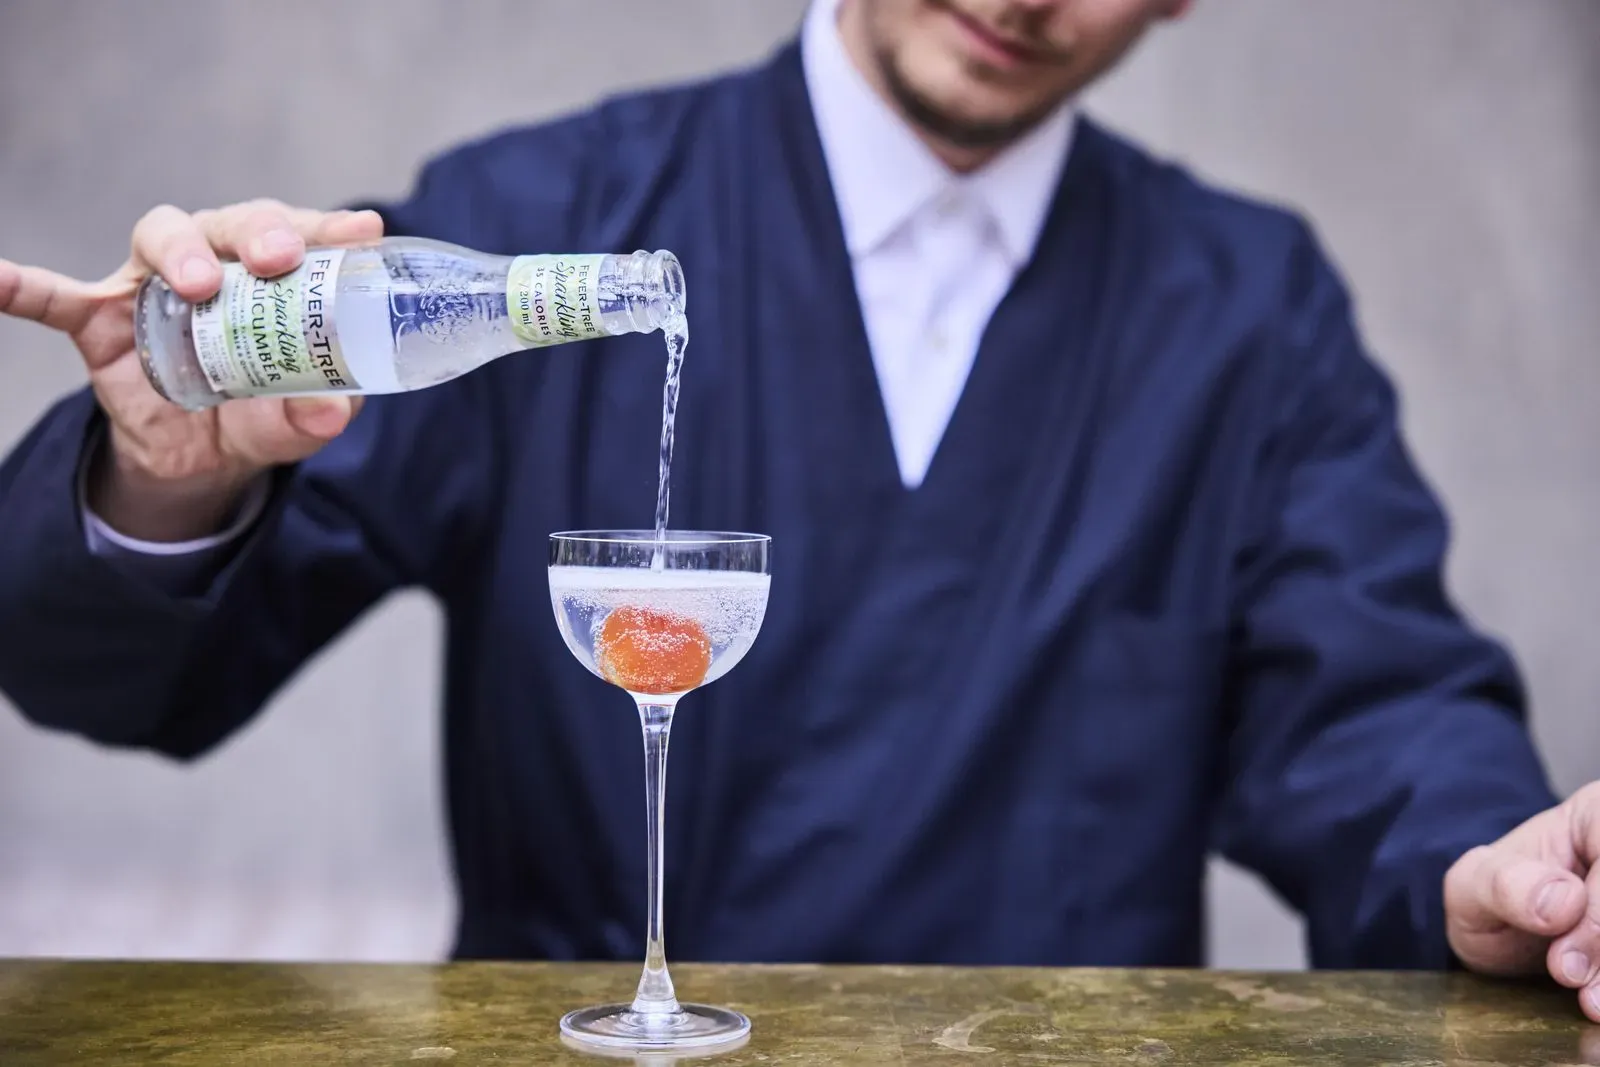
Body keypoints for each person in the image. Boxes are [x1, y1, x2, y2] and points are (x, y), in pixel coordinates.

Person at [1, 0, 1597, 1018]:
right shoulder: (541, 235)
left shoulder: (1244, 310)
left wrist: (1491, 870)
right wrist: (163, 473)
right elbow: (109, 676)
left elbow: (1374, 697)